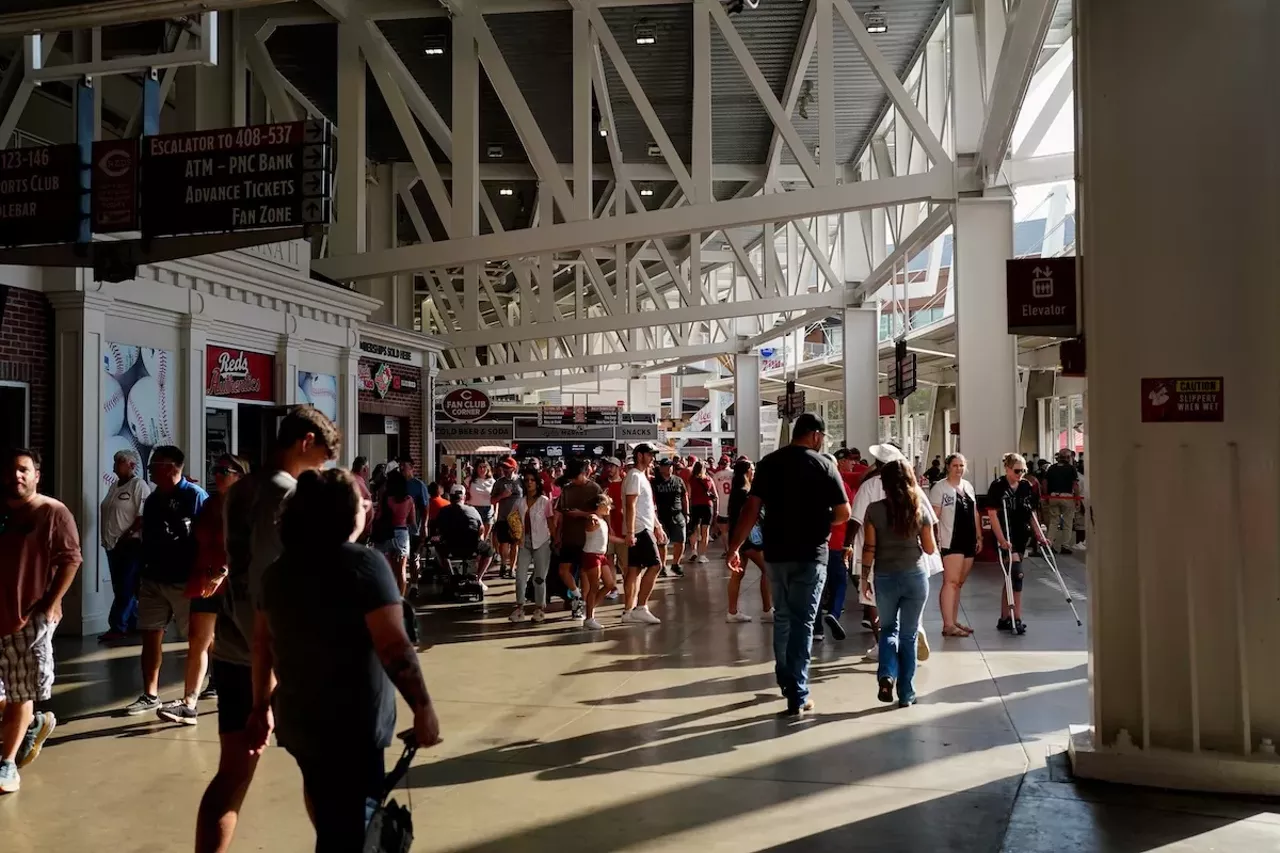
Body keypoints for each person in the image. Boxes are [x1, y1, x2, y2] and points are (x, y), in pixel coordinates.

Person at [253, 468, 442, 851]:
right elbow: (394, 646)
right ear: (344, 513)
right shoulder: (364, 565)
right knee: (354, 831)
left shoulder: (277, 572)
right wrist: (422, 708)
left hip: (301, 720)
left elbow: (262, 644)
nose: (368, 508)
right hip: (352, 723)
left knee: (329, 813)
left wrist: (260, 706)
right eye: (363, 502)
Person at [196, 406, 339, 853]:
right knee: (323, 769)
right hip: (280, 658)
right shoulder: (289, 497)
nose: (325, 463)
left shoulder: (239, 492)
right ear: (305, 442)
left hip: (233, 650)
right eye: (324, 454)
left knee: (233, 774)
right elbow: (272, 591)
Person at [726, 414, 848, 716]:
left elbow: (751, 508)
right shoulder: (824, 465)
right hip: (811, 554)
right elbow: (843, 512)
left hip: (777, 554)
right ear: (816, 436)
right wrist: (822, 521)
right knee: (803, 623)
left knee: (783, 617)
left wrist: (734, 547)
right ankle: (797, 691)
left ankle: (785, 679)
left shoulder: (768, 463)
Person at [0, 449, 81, 794]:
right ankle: (31, 723)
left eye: (23, 470)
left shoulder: (52, 511)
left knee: (21, 691)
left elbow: (70, 559)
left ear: (36, 475)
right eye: (10, 470)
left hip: (27, 619)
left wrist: (50, 603)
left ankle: (6, 764)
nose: (16, 476)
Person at [156, 454, 248, 726]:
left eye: (224, 470)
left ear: (240, 475)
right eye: (215, 469)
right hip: (204, 581)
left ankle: (254, 699)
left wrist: (222, 573)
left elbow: (244, 547)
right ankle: (189, 704)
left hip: (233, 584)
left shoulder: (246, 507)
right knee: (199, 641)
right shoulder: (209, 504)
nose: (217, 474)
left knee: (241, 644)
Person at [124, 445, 208, 716]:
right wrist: (140, 573)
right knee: (150, 635)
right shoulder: (152, 500)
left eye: (154, 466)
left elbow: (206, 539)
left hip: (184, 581)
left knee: (200, 640)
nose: (150, 472)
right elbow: (147, 538)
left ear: (172, 467)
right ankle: (150, 694)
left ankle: (213, 683)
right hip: (153, 579)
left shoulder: (194, 496)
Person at [849, 444, 938, 661]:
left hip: (882, 564)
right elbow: (931, 526)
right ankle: (916, 633)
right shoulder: (915, 490)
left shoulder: (870, 488)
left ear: (878, 464)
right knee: (910, 612)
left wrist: (847, 547)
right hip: (914, 563)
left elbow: (856, 521)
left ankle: (884, 654)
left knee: (879, 611)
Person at [862, 459, 937, 708]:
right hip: (914, 577)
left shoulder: (873, 510)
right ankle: (906, 693)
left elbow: (869, 548)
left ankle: (886, 675)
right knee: (908, 634)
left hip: (885, 576)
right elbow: (929, 548)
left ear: (883, 483)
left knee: (888, 630)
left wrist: (864, 578)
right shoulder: (919, 509)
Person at [987, 453, 1051, 636]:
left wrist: (1039, 535)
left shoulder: (1025, 486)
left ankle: (1004, 617)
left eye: (1023, 470)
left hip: (1021, 535)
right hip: (1005, 534)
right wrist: (1001, 539)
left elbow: (1030, 512)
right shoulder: (998, 486)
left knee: (1009, 577)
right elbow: (992, 514)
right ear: (1007, 469)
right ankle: (1017, 618)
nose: (1020, 474)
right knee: (1017, 574)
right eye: (1017, 470)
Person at [98, 448, 150, 642]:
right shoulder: (115, 486)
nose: (114, 465)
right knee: (120, 586)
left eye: (119, 461)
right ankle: (135, 622)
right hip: (112, 545)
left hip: (129, 545)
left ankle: (117, 626)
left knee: (125, 587)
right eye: (115, 461)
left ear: (132, 465)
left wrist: (127, 535)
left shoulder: (139, 485)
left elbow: (142, 516)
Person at [930, 453, 981, 638]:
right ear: (948, 467)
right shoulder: (940, 488)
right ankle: (948, 624)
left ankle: (953, 619)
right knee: (950, 581)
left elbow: (974, 512)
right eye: (955, 465)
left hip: (968, 539)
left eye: (961, 466)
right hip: (951, 540)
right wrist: (934, 540)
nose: (958, 469)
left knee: (958, 583)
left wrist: (979, 536)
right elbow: (934, 516)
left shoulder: (968, 486)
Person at [621, 444, 668, 625]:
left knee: (634, 569)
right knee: (656, 565)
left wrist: (657, 525)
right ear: (640, 455)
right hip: (639, 529)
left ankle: (628, 611)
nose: (652, 458)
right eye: (650, 454)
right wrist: (631, 532)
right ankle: (641, 607)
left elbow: (645, 506)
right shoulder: (634, 476)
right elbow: (631, 505)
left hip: (642, 527)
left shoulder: (640, 477)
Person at [814, 453, 857, 643]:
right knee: (840, 583)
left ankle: (816, 629)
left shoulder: (812, 488)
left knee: (817, 587)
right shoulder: (843, 487)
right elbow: (851, 516)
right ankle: (834, 612)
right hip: (838, 544)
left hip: (816, 544)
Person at [725, 459, 773, 623]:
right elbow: (749, 517)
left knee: (738, 574)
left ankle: (732, 611)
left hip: (739, 538)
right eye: (752, 469)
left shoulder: (737, 491)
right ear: (747, 471)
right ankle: (767, 609)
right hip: (750, 538)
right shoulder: (746, 492)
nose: (754, 472)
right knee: (768, 569)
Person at [554, 458, 601, 621]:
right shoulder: (567, 489)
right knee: (563, 570)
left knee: (585, 573)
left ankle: (582, 604)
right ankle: (577, 595)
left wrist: (580, 514)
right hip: (569, 535)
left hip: (588, 537)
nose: (573, 480)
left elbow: (601, 513)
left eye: (575, 476)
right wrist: (557, 534)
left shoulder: (594, 489)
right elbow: (561, 513)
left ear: (583, 473)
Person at [511, 472, 554, 623]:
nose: (529, 483)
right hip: (524, 542)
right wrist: (515, 535)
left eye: (532, 480)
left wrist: (555, 540)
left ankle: (539, 608)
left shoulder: (544, 501)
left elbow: (550, 522)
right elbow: (513, 519)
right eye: (527, 480)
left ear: (537, 483)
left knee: (540, 577)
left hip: (542, 541)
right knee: (520, 577)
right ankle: (519, 607)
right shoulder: (520, 502)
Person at [581, 494, 624, 632]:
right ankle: (589, 618)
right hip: (592, 555)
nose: (610, 508)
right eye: (608, 505)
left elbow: (608, 537)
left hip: (601, 555)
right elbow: (589, 521)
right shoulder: (594, 519)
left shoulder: (603, 521)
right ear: (600, 506)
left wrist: (624, 542)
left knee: (609, 584)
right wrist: (591, 518)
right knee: (594, 586)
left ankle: (590, 608)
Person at [435, 485, 495, 579]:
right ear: (464, 497)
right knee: (490, 551)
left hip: (451, 547)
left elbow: (438, 530)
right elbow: (481, 528)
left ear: (450, 497)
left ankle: (451, 576)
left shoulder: (443, 511)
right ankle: (478, 578)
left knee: (438, 549)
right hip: (471, 546)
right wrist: (479, 539)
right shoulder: (472, 510)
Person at [374, 469, 417, 595]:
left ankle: (388, 598)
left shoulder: (386, 498)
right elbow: (412, 521)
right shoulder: (409, 500)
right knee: (402, 571)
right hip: (402, 535)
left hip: (386, 534)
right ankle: (401, 600)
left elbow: (379, 516)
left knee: (387, 570)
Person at [652, 458, 688, 577]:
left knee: (680, 540)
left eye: (671, 466)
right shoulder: (655, 482)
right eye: (667, 466)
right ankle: (662, 566)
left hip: (677, 514)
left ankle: (675, 564)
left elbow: (684, 496)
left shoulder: (678, 480)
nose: (670, 468)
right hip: (662, 516)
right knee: (662, 542)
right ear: (661, 468)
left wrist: (686, 513)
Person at [1042, 448, 1081, 555]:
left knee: (1054, 522)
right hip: (1067, 497)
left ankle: (1049, 544)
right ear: (1068, 458)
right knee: (1068, 522)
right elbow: (1075, 484)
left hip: (1053, 496)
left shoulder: (1051, 468)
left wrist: (1046, 496)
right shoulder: (1071, 468)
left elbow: (1045, 482)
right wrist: (1077, 499)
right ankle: (1065, 546)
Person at [490, 457, 524, 579]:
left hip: (517, 518)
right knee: (503, 543)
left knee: (515, 544)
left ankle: (512, 568)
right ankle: (504, 565)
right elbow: (492, 500)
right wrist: (502, 495)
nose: (504, 470)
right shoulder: (499, 483)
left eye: (507, 468)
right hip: (503, 517)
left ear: (513, 468)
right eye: (503, 468)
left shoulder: (521, 482)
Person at [601, 457, 627, 600]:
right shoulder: (603, 486)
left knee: (624, 562)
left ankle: (628, 587)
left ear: (619, 467)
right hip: (607, 530)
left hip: (622, 529)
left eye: (612, 466)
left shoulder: (625, 484)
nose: (609, 469)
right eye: (608, 466)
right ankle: (613, 588)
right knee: (609, 559)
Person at [685, 460, 716, 563]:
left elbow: (688, 496)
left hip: (695, 506)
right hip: (707, 506)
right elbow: (715, 495)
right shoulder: (708, 479)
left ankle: (694, 551)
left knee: (694, 530)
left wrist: (688, 509)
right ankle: (702, 555)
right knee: (705, 532)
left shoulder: (691, 480)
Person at [466, 460, 496, 539]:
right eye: (480, 467)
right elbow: (463, 491)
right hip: (474, 508)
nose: (482, 469)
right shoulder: (470, 480)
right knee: (476, 535)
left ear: (488, 468)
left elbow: (495, 498)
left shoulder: (492, 481)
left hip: (488, 509)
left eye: (484, 467)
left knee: (484, 538)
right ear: (476, 468)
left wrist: (496, 512)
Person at [711, 456, 734, 551]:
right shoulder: (734, 474)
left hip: (722, 507)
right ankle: (734, 549)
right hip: (733, 505)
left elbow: (714, 491)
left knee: (724, 532)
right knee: (734, 529)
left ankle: (727, 550)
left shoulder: (716, 475)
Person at [351, 456, 374, 545]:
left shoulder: (346, 480)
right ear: (365, 469)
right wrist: (366, 531)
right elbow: (368, 512)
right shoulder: (358, 484)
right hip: (358, 533)